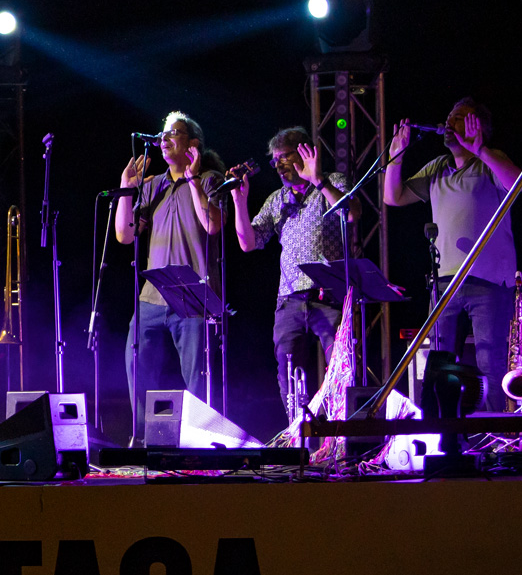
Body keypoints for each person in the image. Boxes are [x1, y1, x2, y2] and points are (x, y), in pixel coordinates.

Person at [383, 98, 522, 409]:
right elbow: (392, 197)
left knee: (490, 360)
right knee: (440, 362)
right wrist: (396, 156)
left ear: (478, 127)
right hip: (445, 282)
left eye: (459, 118)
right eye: (448, 117)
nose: (448, 123)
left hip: (488, 281)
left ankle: (495, 435)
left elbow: (520, 183)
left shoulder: (489, 162)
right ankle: (444, 432)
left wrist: (481, 149)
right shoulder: (438, 167)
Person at [114, 110, 226, 436]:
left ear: (192, 144)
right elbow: (125, 234)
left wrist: (191, 180)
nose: (164, 139)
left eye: (173, 133)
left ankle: (203, 441)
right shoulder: (154, 187)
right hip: (153, 296)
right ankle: (143, 438)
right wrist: (126, 187)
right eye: (162, 134)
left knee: (197, 375)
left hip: (194, 296)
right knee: (136, 363)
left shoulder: (209, 181)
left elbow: (214, 224)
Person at [231, 128, 350, 420]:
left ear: (304, 152)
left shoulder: (332, 181)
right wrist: (239, 201)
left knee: (340, 367)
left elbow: (351, 213)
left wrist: (317, 179)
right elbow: (248, 242)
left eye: (285, 156)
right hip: (289, 301)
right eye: (275, 161)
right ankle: (299, 437)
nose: (279, 165)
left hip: (329, 296)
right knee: (288, 371)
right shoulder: (277, 199)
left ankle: (338, 439)